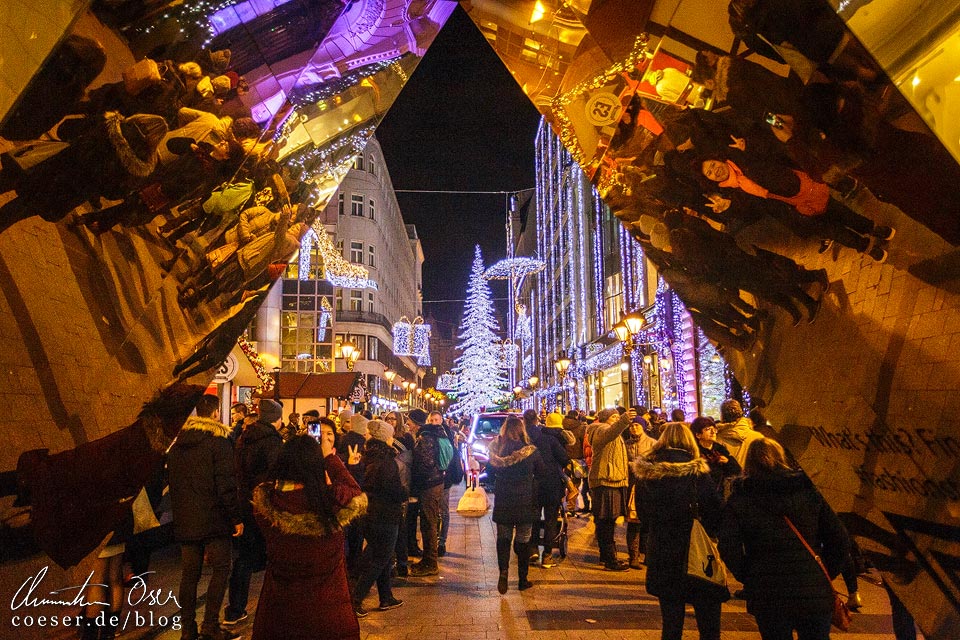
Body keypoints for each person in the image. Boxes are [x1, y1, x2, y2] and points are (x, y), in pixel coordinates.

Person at [718, 438, 851, 640]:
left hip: (768, 591)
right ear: (782, 458)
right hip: (811, 588)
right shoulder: (809, 491)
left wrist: (749, 575)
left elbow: (729, 547)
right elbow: (839, 539)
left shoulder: (741, 498)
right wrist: (823, 572)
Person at [250, 431, 366, 640]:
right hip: (329, 616)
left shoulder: (268, 506)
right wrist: (330, 458)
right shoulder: (330, 505)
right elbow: (354, 491)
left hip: (281, 615)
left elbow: (265, 486)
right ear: (317, 465)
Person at [632, 423, 727, 640]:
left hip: (662, 550)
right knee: (708, 619)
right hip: (695, 551)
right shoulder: (697, 471)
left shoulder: (647, 473)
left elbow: (643, 515)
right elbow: (715, 509)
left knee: (671, 621)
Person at [167, 394, 243, 640]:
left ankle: (187, 629)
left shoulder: (178, 444)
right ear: (214, 414)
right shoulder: (218, 442)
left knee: (190, 575)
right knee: (221, 568)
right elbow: (226, 484)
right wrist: (236, 517)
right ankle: (210, 626)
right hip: (214, 519)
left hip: (186, 518)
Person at [224, 399, 283, 626]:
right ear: (276, 419)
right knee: (274, 555)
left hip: (245, 503)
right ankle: (275, 606)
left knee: (245, 558)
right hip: (264, 505)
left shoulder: (244, 438)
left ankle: (235, 608)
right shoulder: (271, 441)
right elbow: (274, 474)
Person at [487, 416, 549, 593]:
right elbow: (542, 472)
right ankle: (523, 579)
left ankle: (504, 573)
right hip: (525, 500)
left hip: (504, 500)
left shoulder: (496, 452)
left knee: (503, 538)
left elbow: (489, 474)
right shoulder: (531, 452)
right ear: (521, 430)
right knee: (523, 539)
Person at [353, 419, 406, 616]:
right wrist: (404, 493)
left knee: (380, 555)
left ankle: (386, 597)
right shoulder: (387, 462)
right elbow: (392, 489)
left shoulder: (368, 457)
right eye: (390, 435)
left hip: (369, 513)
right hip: (385, 515)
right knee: (381, 558)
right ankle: (356, 598)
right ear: (385, 438)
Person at [589, 407, 636, 571]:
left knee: (606, 520)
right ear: (606, 418)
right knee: (607, 521)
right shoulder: (599, 429)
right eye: (614, 416)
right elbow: (611, 433)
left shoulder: (611, 432)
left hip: (613, 480)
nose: (617, 419)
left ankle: (606, 555)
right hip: (605, 481)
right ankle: (610, 559)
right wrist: (624, 419)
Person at [410, 409, 445, 576]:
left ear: (416, 423)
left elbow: (427, 463)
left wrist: (416, 477)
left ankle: (431, 562)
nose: (407, 424)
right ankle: (428, 558)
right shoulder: (429, 434)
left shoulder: (425, 437)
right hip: (434, 482)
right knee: (428, 521)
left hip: (430, 484)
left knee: (429, 523)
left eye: (409, 421)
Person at [624, 415, 657, 569]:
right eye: (631, 425)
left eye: (637, 425)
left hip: (648, 486)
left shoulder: (652, 443)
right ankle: (634, 556)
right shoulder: (626, 444)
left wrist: (636, 465)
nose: (634, 428)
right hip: (632, 487)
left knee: (649, 523)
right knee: (634, 522)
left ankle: (648, 555)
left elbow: (656, 464)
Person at [690, 416, 742, 492]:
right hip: (700, 495)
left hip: (718, 493)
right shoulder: (694, 451)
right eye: (708, 429)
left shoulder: (720, 449)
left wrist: (727, 462)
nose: (713, 432)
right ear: (698, 435)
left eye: (714, 429)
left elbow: (737, 470)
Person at [715, 399, 763, 468]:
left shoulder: (716, 440)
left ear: (722, 415)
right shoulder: (758, 438)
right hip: (752, 477)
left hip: (729, 478)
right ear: (740, 413)